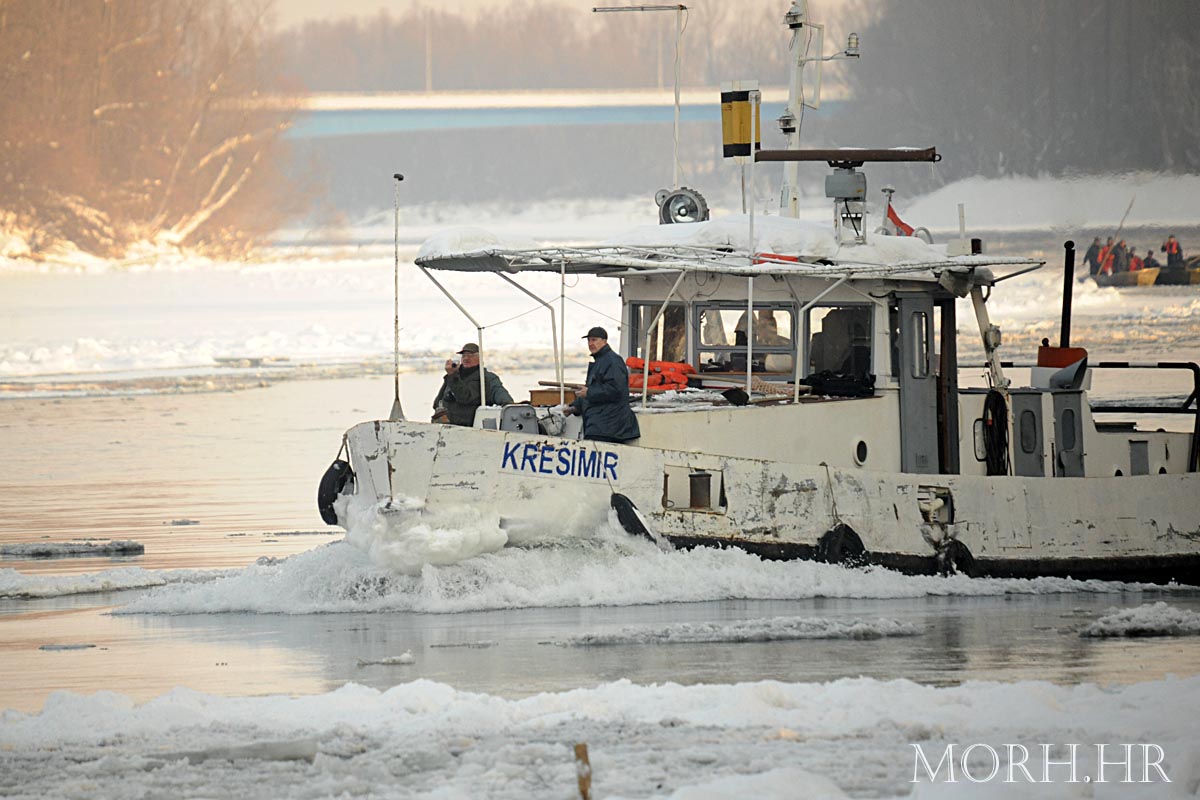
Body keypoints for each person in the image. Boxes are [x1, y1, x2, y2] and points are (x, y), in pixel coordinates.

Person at [564, 326, 640, 443]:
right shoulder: (601, 361)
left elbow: (616, 390)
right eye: (589, 340)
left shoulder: (613, 361)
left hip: (609, 427)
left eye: (594, 340)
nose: (590, 343)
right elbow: (595, 390)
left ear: (604, 341)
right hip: (600, 426)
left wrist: (588, 392)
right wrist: (575, 407)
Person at [432, 343, 513, 427]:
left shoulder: (488, 379)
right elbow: (437, 403)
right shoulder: (453, 376)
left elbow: (464, 398)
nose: (466, 358)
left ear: (479, 358)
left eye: (471, 355)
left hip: (470, 429)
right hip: (445, 428)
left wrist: (510, 406)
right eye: (464, 356)